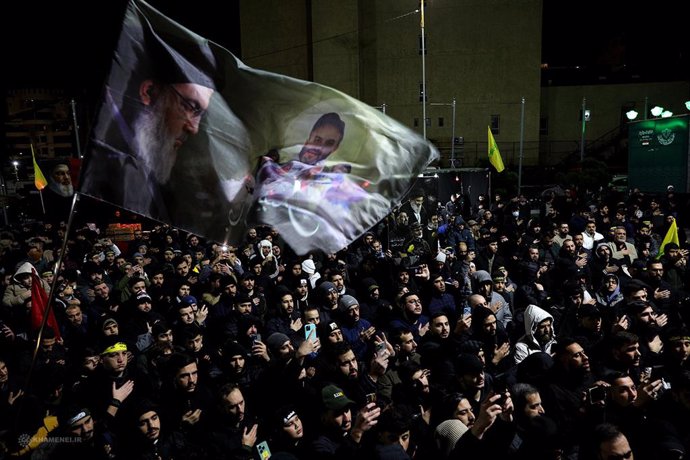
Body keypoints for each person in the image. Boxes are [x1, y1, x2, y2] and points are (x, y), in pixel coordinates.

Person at [80, 22, 219, 223]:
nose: (194, 128)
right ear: (149, 92)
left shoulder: (151, 164)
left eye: (201, 114)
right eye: (190, 106)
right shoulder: (103, 165)